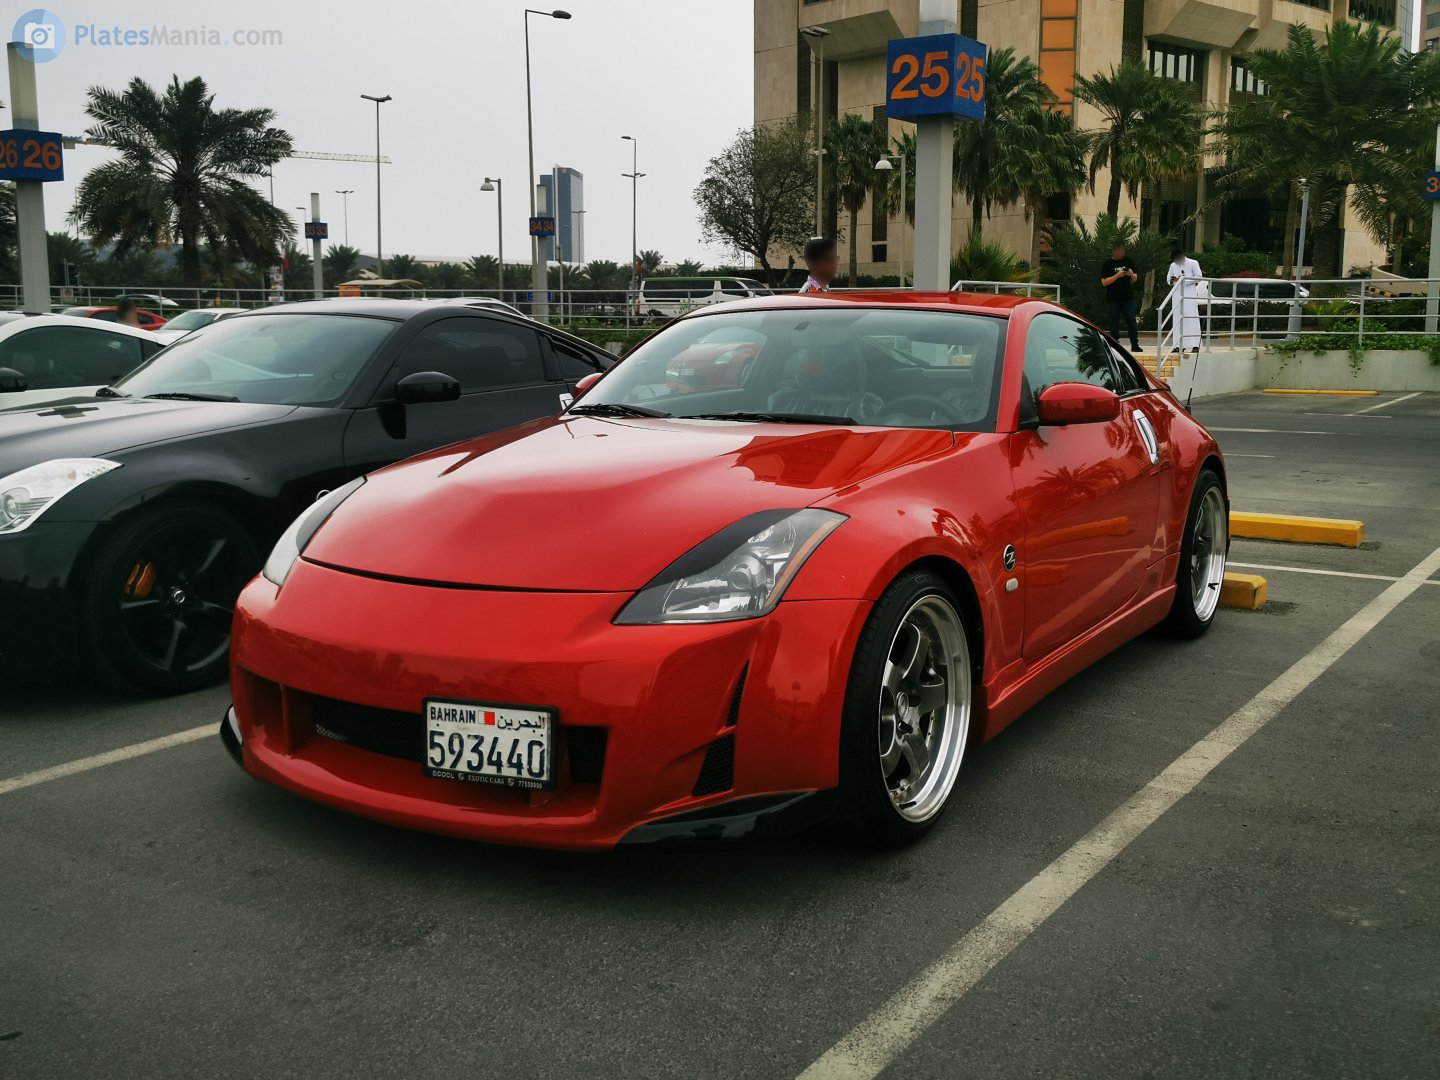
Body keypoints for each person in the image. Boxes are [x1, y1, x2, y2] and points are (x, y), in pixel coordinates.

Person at [1099, 242, 1140, 351]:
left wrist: (1130, 274)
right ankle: (1115, 345)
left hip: (1128, 297)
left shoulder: (1128, 261)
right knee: (1114, 321)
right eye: (1119, 252)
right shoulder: (1107, 264)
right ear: (1114, 252)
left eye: (1123, 252)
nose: (1121, 254)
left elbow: (1135, 278)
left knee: (1131, 320)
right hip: (1113, 298)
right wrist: (1117, 276)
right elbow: (1104, 282)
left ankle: (1135, 344)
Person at [1166, 246, 1205, 354]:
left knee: (1191, 318)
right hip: (1177, 295)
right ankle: (1178, 345)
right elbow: (1168, 278)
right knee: (1177, 320)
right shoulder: (1172, 265)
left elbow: (1199, 277)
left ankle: (1195, 345)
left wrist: (1184, 279)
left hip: (1189, 294)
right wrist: (1172, 280)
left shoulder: (1193, 263)